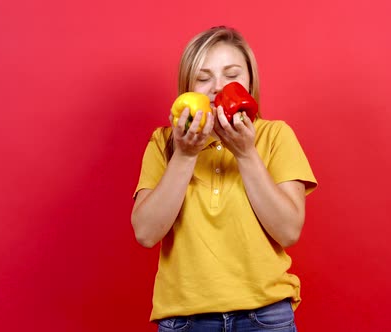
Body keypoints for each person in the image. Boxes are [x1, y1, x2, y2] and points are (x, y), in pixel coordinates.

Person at [131, 26, 317, 332]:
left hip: (265, 316)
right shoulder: (164, 142)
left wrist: (245, 154)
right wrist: (186, 155)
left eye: (232, 74)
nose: (218, 87)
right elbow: (146, 233)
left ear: (250, 82)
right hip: (185, 320)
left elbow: (288, 231)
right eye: (204, 78)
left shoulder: (275, 136)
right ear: (188, 88)